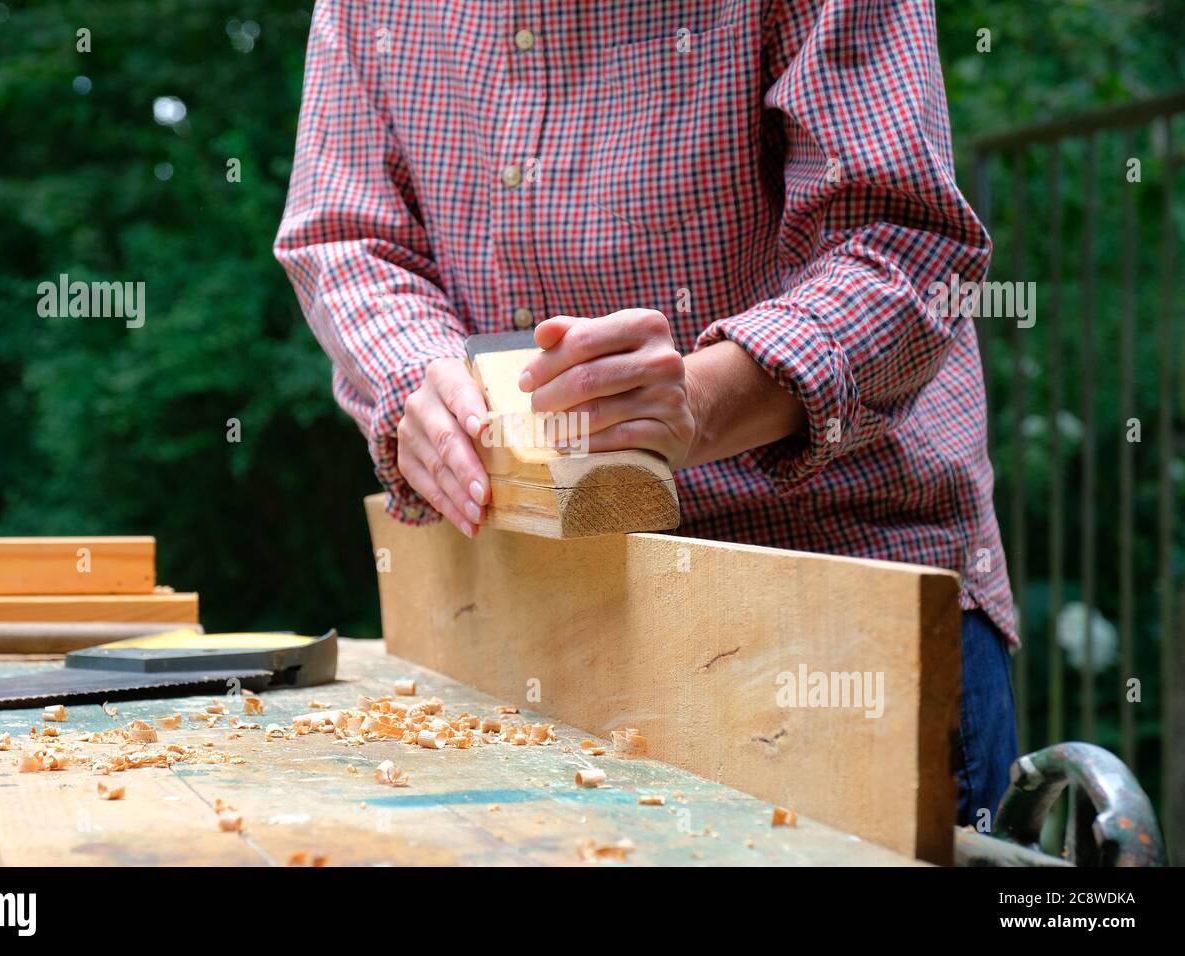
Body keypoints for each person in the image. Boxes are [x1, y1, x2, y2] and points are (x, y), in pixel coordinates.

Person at [275, 0, 1018, 825]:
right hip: (517, 602)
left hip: (826, 605)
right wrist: (416, 377)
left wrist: (698, 405)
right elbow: (344, 235)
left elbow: (903, 243)